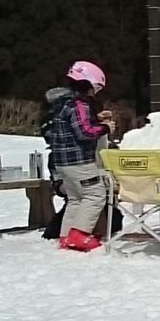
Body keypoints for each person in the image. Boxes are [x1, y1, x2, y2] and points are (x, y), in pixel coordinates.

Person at [41, 60, 115, 253]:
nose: (96, 92)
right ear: (88, 83)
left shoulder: (63, 103)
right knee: (95, 195)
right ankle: (79, 235)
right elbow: (85, 131)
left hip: (62, 162)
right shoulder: (80, 104)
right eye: (96, 87)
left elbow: (71, 125)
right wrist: (106, 127)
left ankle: (66, 235)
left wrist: (96, 119)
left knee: (76, 198)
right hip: (79, 160)